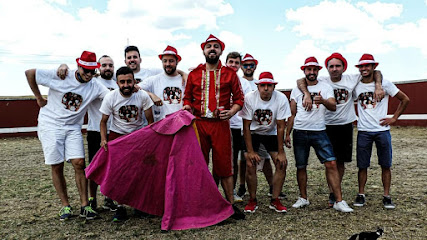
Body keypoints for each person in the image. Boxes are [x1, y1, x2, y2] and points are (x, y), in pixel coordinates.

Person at [25, 51, 110, 220]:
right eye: (85, 70)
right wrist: (38, 97)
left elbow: (112, 97)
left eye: (92, 71)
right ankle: (65, 206)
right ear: (78, 66)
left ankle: (85, 205)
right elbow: (30, 73)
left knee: (79, 163)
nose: (88, 74)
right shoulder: (62, 75)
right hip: (51, 124)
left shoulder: (95, 85)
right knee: (57, 165)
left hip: (73, 127)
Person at [296, 52, 384, 207]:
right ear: (327, 68)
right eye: (331, 66)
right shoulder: (321, 79)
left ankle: (333, 194)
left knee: (340, 161)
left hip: (344, 125)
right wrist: (306, 94)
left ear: (344, 67)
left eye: (338, 66)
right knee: (330, 161)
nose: (334, 69)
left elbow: (376, 72)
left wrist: (378, 86)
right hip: (325, 125)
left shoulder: (352, 79)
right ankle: (332, 191)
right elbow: (300, 80)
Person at [183, 34, 245, 220]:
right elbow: (187, 98)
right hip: (199, 124)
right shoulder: (194, 74)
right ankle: (198, 204)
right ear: (203, 50)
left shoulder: (230, 74)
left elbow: (240, 99)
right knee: (199, 164)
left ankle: (230, 205)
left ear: (221, 51)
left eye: (216, 47)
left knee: (224, 166)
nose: (212, 49)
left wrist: (232, 112)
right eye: (209, 46)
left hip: (220, 125)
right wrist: (187, 106)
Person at [285, 56, 353, 213]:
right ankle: (303, 198)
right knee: (301, 166)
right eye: (309, 69)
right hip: (300, 131)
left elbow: (333, 106)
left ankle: (339, 200)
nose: (312, 72)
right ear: (304, 71)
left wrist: (322, 101)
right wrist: (288, 133)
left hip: (320, 130)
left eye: (315, 69)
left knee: (331, 163)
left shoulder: (326, 86)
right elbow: (292, 113)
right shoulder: (297, 90)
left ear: (318, 71)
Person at [352, 54, 409, 209]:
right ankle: (361, 194)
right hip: (364, 130)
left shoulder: (385, 84)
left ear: (373, 67)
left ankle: (386, 196)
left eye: (367, 66)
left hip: (382, 130)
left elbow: (405, 99)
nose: (364, 69)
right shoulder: (356, 86)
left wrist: (394, 118)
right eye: (361, 66)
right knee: (362, 165)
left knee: (385, 164)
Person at [99, 66, 154, 221]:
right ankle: (120, 206)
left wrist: (148, 139)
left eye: (129, 81)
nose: (126, 85)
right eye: (122, 82)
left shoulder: (142, 96)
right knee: (119, 174)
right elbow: (103, 121)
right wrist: (104, 139)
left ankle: (139, 205)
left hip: (137, 136)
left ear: (134, 81)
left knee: (139, 172)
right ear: (117, 82)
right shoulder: (110, 97)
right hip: (118, 137)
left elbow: (150, 121)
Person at [239, 72, 291, 213]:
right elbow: (246, 126)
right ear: (258, 86)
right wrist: (250, 151)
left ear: (274, 86)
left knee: (281, 164)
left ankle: (275, 199)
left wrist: (281, 152)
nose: (266, 88)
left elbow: (281, 126)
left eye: (269, 85)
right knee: (250, 164)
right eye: (263, 85)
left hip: (271, 133)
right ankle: (252, 199)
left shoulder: (280, 98)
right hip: (253, 133)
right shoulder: (250, 98)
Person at [236, 53, 279, 200]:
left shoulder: (260, 82)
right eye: (245, 64)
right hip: (243, 123)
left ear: (255, 66)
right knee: (245, 159)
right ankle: (242, 186)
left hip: (262, 126)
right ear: (241, 66)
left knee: (265, 158)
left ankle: (272, 186)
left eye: (251, 65)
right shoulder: (238, 81)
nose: (248, 67)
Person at [82, 55, 119, 212]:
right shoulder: (92, 82)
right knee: (94, 166)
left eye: (110, 65)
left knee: (112, 167)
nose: (108, 68)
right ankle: (92, 198)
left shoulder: (119, 82)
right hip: (95, 130)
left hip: (115, 130)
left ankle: (109, 198)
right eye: (104, 65)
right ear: (98, 67)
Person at [225, 51, 251, 202]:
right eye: (231, 62)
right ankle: (231, 191)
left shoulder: (245, 83)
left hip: (241, 125)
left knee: (247, 158)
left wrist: (233, 104)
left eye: (236, 63)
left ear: (240, 65)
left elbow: (244, 102)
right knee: (231, 161)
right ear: (226, 63)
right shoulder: (220, 78)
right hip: (227, 125)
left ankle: (241, 189)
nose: (233, 65)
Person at [139, 46, 185, 122]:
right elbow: (135, 88)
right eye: (165, 61)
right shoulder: (154, 80)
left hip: (181, 124)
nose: (167, 64)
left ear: (177, 61)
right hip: (161, 125)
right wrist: (151, 95)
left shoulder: (184, 80)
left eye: (171, 61)